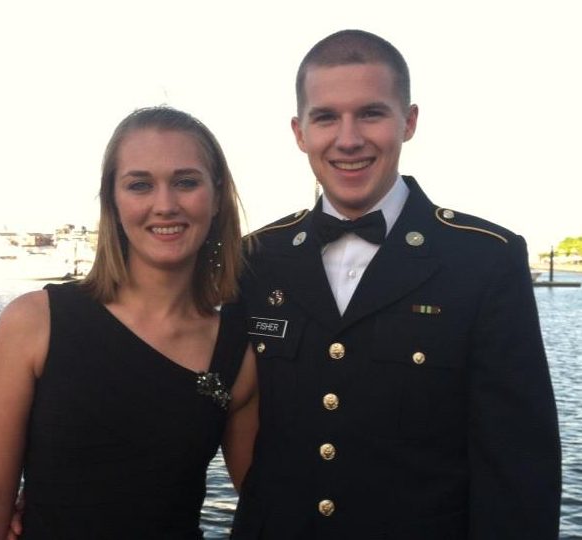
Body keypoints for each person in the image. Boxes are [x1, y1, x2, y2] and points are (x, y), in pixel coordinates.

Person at [231, 30, 561, 539]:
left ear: (408, 122)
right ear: (299, 132)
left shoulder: (483, 259)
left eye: (371, 113)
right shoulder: (256, 258)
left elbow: (519, 466)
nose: (348, 138)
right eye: (326, 117)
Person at [0, 106, 258, 539]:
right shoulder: (35, 322)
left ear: (216, 196)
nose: (165, 205)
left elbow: (265, 499)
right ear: (112, 202)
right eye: (140, 185)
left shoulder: (236, 352)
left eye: (186, 182)